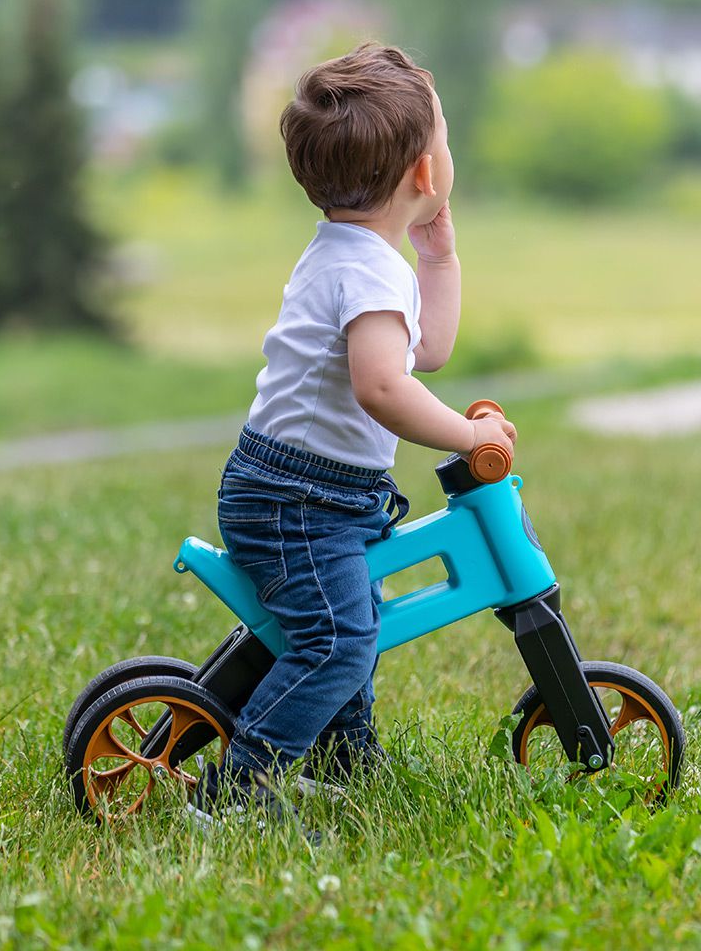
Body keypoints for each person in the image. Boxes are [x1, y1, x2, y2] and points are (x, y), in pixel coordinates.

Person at [188, 43, 516, 832]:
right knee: (337, 640)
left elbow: (422, 353)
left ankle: (347, 763)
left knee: (352, 625)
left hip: (312, 492)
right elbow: (384, 388)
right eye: (445, 138)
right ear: (425, 176)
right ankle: (239, 788)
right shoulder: (364, 273)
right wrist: (469, 437)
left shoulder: (359, 255)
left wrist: (439, 259)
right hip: (298, 498)